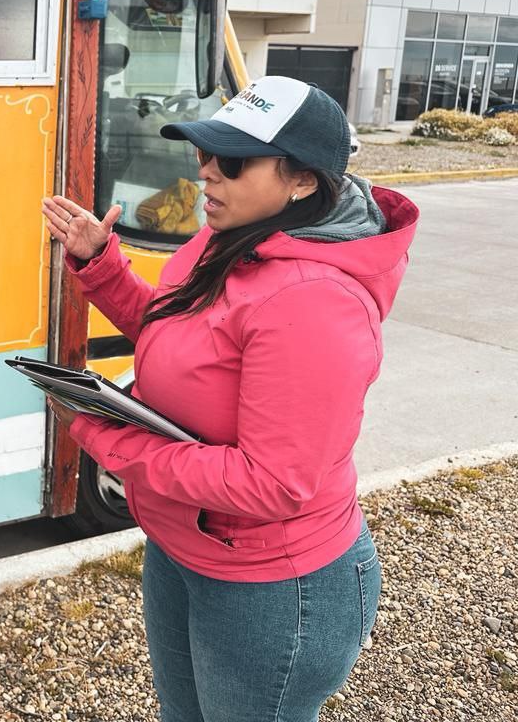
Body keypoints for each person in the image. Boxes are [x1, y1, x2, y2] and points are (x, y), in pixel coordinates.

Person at [41, 76, 418, 722]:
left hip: (273, 588)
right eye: (204, 153)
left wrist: (104, 436)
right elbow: (182, 343)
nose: (209, 173)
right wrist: (104, 265)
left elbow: (273, 482)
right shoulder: (227, 237)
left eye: (234, 161)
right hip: (185, 548)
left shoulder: (314, 301)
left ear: (302, 180)